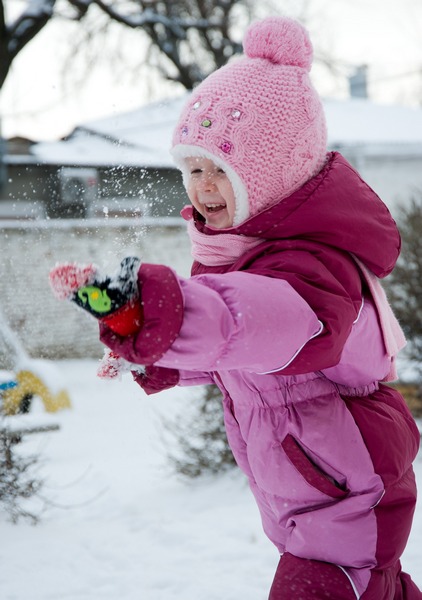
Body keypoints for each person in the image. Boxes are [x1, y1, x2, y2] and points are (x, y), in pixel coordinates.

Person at [50, 17, 422, 600]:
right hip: (312, 486)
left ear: (276, 171)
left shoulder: (309, 267)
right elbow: (243, 347)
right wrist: (161, 352)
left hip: (346, 490)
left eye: (221, 168)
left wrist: (160, 312)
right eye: (192, 169)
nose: (202, 187)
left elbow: (261, 320)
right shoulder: (247, 258)